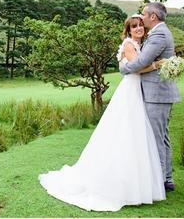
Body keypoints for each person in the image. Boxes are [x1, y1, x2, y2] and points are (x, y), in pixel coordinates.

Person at [38, 14, 166, 212]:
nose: (139, 29)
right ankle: (121, 184)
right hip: (130, 91)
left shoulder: (141, 43)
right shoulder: (129, 44)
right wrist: (157, 65)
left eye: (141, 25)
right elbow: (137, 68)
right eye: (134, 27)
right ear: (129, 30)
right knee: (125, 130)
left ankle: (136, 182)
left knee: (135, 133)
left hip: (136, 90)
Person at [120, 2, 181, 192]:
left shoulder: (159, 34)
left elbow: (141, 62)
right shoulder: (157, 33)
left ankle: (161, 180)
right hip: (155, 93)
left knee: (157, 139)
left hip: (157, 94)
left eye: (144, 15)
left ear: (152, 17)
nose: (142, 18)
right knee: (162, 137)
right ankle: (166, 178)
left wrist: (123, 68)